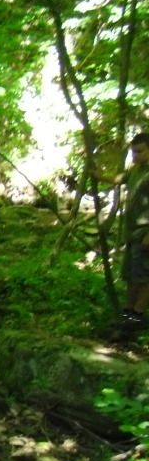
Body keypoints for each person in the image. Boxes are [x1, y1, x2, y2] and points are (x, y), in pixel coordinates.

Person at [102, 132, 149, 330]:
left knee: (145, 275)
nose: (135, 155)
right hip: (132, 233)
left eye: (140, 151)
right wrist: (96, 174)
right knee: (131, 274)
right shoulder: (136, 170)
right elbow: (119, 179)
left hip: (144, 233)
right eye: (133, 152)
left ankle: (138, 314)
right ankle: (128, 312)